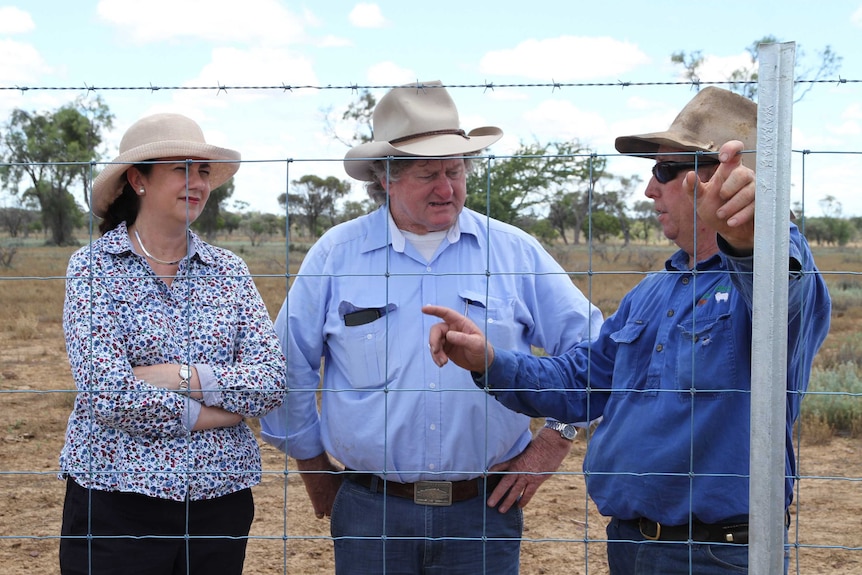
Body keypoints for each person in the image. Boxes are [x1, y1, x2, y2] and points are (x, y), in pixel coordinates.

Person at [423, 87, 832, 575]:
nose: (649, 189)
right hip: (632, 546)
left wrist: (754, 238)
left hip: (721, 557)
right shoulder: (653, 290)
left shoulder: (773, 281)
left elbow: (784, 293)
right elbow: (582, 382)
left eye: (664, 171)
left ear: (720, 178)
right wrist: (491, 362)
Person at [260, 80, 603, 574]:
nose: (447, 188)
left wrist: (556, 438)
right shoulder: (338, 255)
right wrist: (313, 467)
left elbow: (595, 351)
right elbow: (287, 365)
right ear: (385, 177)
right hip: (369, 509)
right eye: (428, 174)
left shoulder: (514, 252)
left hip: (484, 511)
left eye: (456, 171)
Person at [59, 113, 286, 575]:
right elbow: (108, 394)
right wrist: (220, 411)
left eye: (202, 171)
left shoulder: (229, 271)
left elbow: (271, 381)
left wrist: (181, 377)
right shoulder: (93, 269)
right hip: (116, 500)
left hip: (219, 503)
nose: (197, 183)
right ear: (137, 180)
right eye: (181, 169)